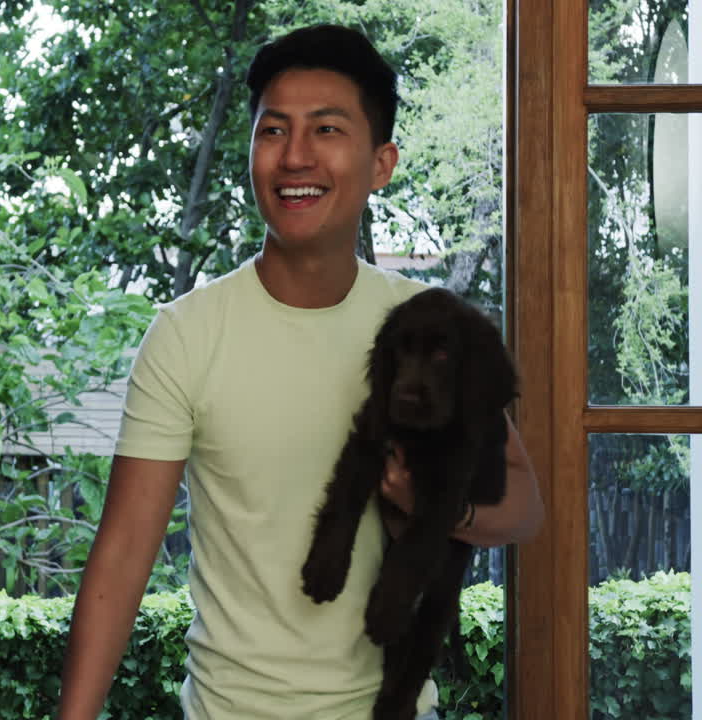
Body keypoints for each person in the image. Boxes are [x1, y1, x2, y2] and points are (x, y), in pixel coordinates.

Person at [56, 24, 543, 720]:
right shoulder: (188, 334)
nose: (295, 157)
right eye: (273, 130)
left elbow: (525, 506)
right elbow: (125, 553)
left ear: (382, 163)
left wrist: (438, 506)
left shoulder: (428, 323)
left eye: (327, 130)